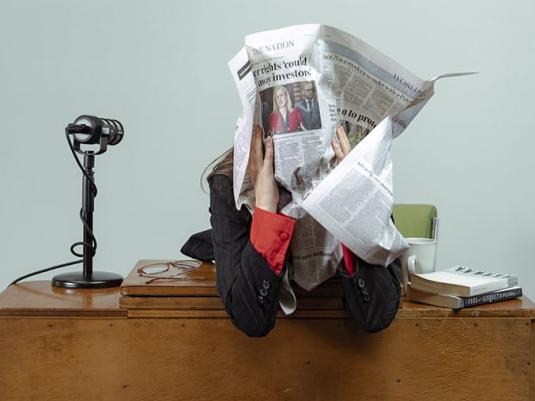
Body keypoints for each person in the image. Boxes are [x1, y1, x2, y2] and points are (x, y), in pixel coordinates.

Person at [181, 125, 401, 337]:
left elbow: (377, 315)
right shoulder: (229, 184)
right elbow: (249, 320)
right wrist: (265, 208)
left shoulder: (362, 167)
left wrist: (353, 197)